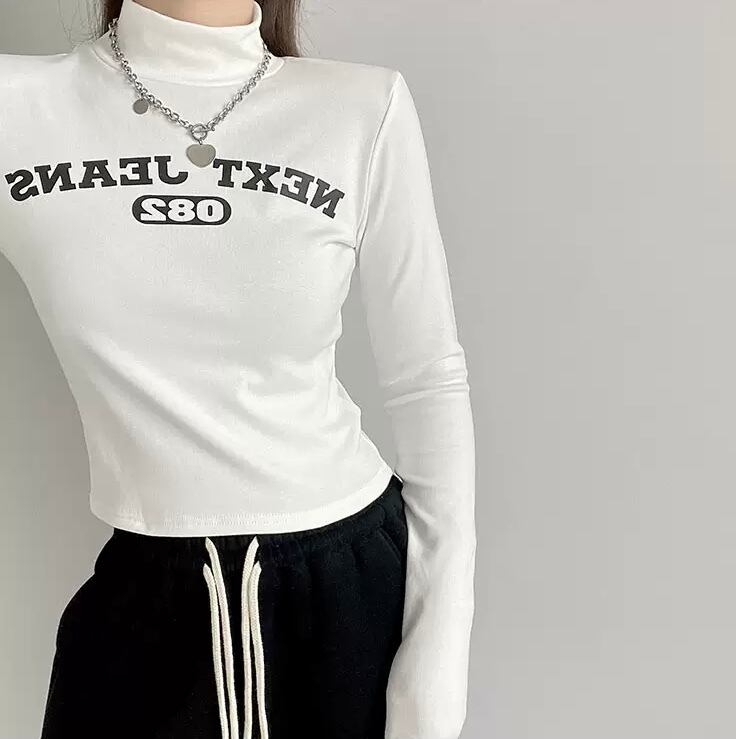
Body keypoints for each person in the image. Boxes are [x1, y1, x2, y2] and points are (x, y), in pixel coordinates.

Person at [0, 0, 477, 737]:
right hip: (142, 607)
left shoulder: (361, 107)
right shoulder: (18, 105)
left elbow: (428, 378)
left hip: (352, 599)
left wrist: (438, 648)